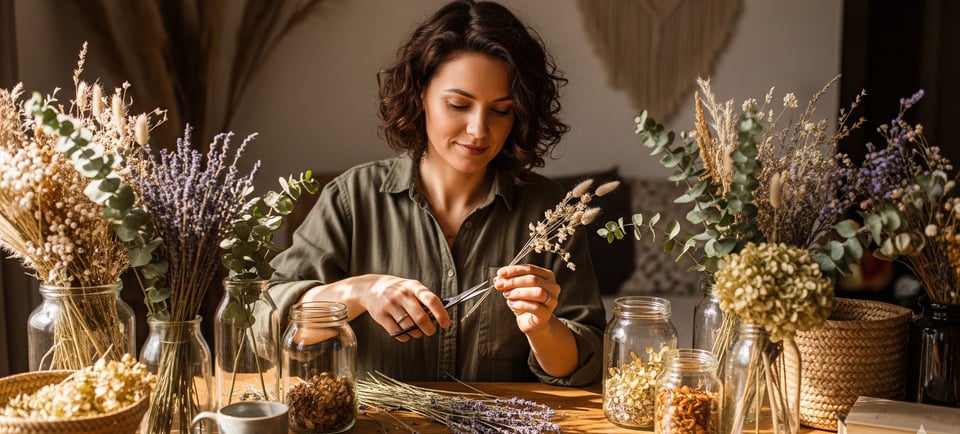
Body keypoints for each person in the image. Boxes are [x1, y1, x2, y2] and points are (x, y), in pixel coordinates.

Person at [268, 0, 605, 386]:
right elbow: (266, 323)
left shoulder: (551, 214)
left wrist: (542, 329)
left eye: (500, 110)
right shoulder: (352, 199)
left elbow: (586, 365)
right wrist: (360, 291)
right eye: (459, 104)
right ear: (420, 95)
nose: (479, 130)